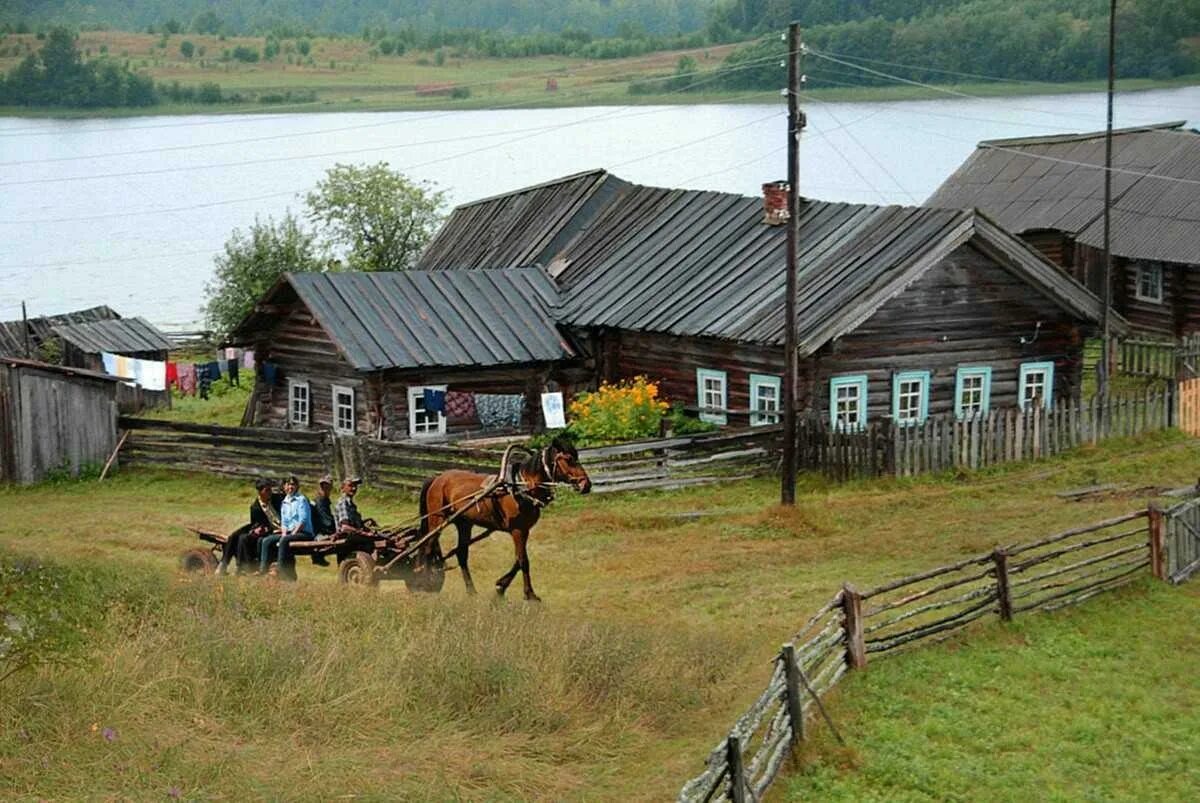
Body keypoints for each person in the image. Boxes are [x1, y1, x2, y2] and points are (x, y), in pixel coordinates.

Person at [218, 478, 282, 575]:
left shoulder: (277, 498)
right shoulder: (255, 507)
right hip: (266, 529)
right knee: (236, 536)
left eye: (270, 489)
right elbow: (256, 523)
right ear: (260, 492)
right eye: (267, 490)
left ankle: (240, 567)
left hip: (278, 529)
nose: (270, 492)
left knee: (243, 537)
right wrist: (256, 530)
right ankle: (227, 565)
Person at [259, 475, 312, 580]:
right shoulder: (284, 502)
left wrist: (292, 534)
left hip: (304, 533)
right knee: (267, 540)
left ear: (297, 486)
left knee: (284, 541)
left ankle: (281, 570)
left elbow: (303, 520)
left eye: (293, 484)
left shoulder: (301, 500)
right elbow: (284, 522)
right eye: (288, 484)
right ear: (284, 487)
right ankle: (263, 569)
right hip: (289, 533)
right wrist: (284, 534)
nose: (290, 487)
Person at [309, 475, 337, 567]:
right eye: (323, 485)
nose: (325, 488)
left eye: (327, 486)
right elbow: (326, 521)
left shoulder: (323, 500)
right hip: (319, 532)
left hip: (321, 528)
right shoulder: (320, 501)